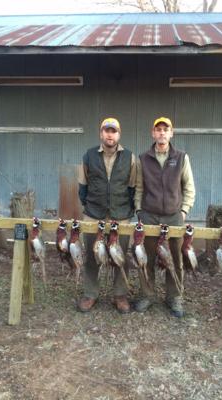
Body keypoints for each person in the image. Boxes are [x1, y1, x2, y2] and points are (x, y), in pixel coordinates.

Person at [134, 117, 195, 317]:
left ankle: (174, 296)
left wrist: (184, 211)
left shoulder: (181, 158)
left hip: (174, 217)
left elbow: (189, 187)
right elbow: (139, 187)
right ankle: (147, 294)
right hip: (150, 216)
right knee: (147, 258)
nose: (161, 133)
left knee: (175, 259)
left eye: (165, 129)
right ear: (153, 133)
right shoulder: (143, 159)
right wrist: (139, 212)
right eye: (158, 129)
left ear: (171, 133)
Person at [78, 117, 136, 314]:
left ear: (119, 134)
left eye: (113, 131)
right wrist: (91, 206)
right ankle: (90, 294)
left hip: (121, 215)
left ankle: (120, 294)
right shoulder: (88, 155)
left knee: (120, 256)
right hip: (94, 214)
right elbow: (82, 185)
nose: (110, 134)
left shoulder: (130, 157)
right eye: (106, 130)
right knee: (92, 255)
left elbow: (133, 186)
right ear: (101, 133)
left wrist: (125, 208)